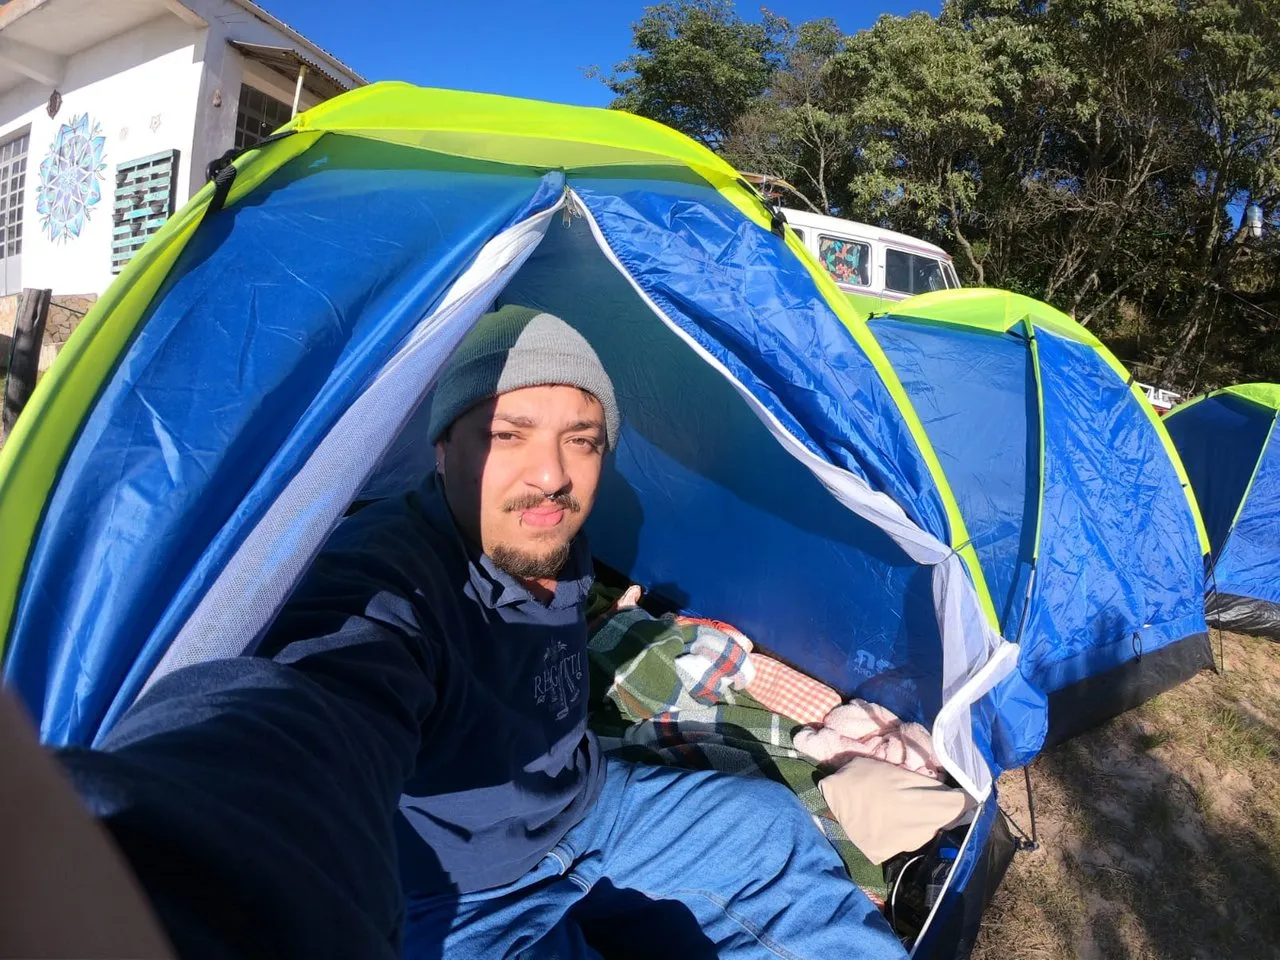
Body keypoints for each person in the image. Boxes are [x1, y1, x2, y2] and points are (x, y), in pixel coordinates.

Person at [42, 306, 906, 959]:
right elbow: (311, 706)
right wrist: (163, 858)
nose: (551, 475)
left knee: (766, 826)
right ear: (443, 447)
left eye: (583, 440)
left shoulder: (555, 541)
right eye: (506, 434)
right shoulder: (388, 573)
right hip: (456, 889)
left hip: (589, 807)